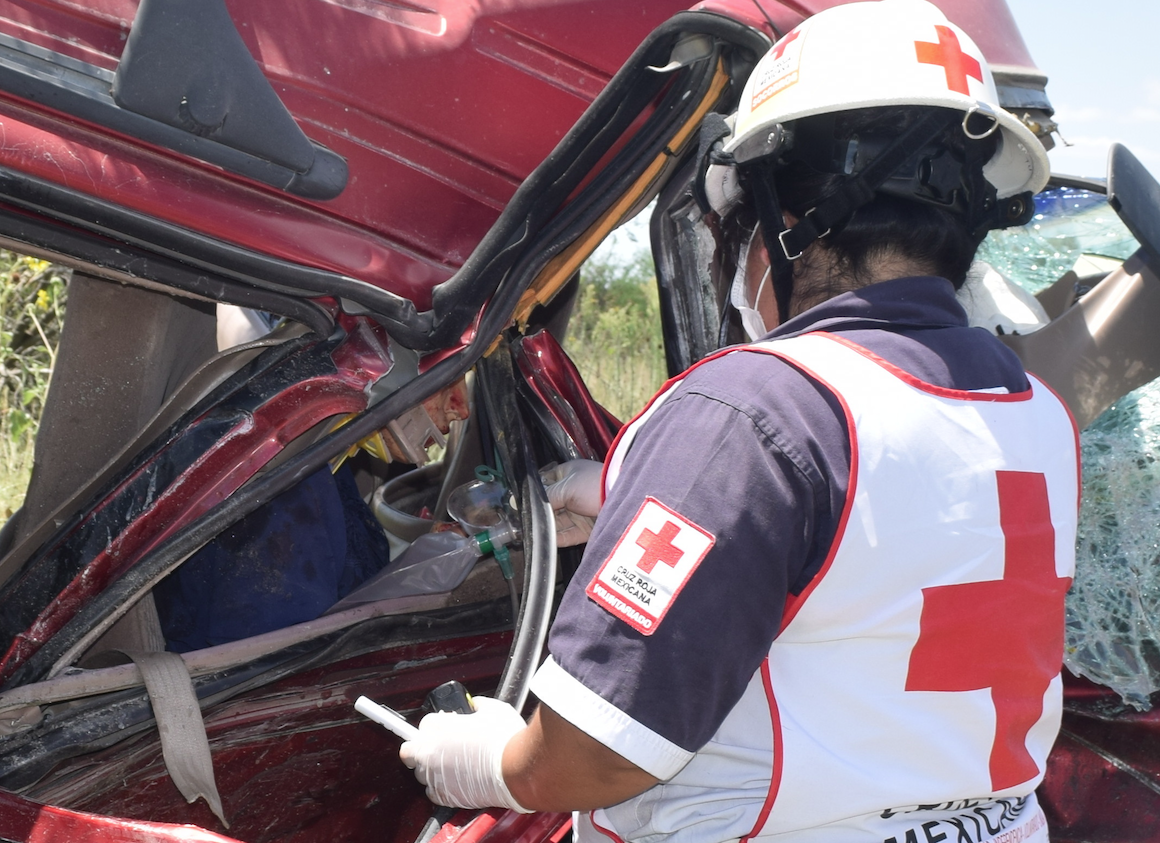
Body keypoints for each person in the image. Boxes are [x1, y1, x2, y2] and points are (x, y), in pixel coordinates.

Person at [399, 1, 1080, 841]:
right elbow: (867, 541)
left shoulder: (754, 411)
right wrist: (614, 482)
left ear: (781, 217)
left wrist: (484, 759)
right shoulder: (1037, 415)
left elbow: (592, 754)